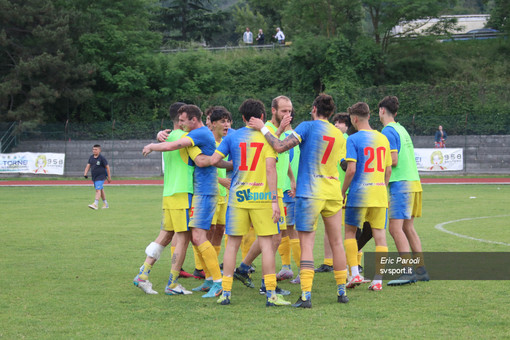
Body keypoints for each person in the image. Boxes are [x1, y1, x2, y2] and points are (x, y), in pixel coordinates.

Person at [249, 94, 349, 308]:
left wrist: (263, 128)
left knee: (307, 245)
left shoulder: (307, 127)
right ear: (331, 113)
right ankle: (341, 292)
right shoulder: (339, 134)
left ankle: (305, 296)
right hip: (332, 192)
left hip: (311, 193)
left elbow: (279, 146)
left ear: (314, 109)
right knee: (337, 242)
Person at [143, 104, 232, 298]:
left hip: (204, 192)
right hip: (196, 192)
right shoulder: (194, 135)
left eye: (183, 120)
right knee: (194, 236)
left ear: (193, 119)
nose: (180, 123)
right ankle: (209, 279)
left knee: (198, 236)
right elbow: (201, 160)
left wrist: (152, 145)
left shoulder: (196, 134)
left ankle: (219, 281)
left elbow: (177, 147)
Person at [211, 99, 291, 307]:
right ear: (263, 117)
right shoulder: (268, 139)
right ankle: (271, 294)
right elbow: (271, 169)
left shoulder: (234, 136)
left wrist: (232, 164)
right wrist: (275, 201)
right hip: (262, 198)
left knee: (232, 246)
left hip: (237, 198)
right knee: (267, 245)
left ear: (244, 118)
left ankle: (226, 293)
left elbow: (214, 161)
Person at [232, 96, 294, 296]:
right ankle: (266, 284)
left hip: (279, 189)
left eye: (290, 111)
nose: (287, 115)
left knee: (274, 237)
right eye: (283, 111)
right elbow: (274, 148)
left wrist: (291, 179)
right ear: (273, 110)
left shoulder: (281, 131)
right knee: (272, 238)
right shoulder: (263, 128)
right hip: (266, 193)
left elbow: (281, 155)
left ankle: (243, 268)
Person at [133, 102, 195, 295]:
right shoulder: (185, 137)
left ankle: (143, 275)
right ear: (181, 117)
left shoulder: (168, 136)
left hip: (169, 192)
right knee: (183, 238)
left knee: (166, 235)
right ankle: (173, 283)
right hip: (183, 192)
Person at [379, 96, 429, 285]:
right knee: (408, 227)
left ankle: (408, 271)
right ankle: (421, 270)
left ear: (382, 110)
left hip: (401, 183)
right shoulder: (401, 129)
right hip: (413, 182)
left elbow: (393, 160)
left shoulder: (388, 131)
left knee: (395, 228)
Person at [342, 102, 392, 292]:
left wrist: (342, 191)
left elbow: (351, 169)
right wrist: (381, 187)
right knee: (380, 236)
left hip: (359, 194)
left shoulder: (353, 139)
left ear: (354, 119)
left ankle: (354, 272)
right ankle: (378, 280)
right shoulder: (383, 139)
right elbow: (388, 170)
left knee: (349, 233)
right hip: (379, 193)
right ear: (369, 116)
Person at [83, 144, 111, 210]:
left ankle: (95, 204)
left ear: (99, 150)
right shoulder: (91, 157)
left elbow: (107, 167)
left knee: (97, 190)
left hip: (101, 177)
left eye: (96, 149)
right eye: (93, 149)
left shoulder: (102, 158)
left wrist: (109, 177)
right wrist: (85, 173)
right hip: (94, 177)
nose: (94, 151)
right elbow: (88, 165)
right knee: (100, 189)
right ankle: (105, 203)